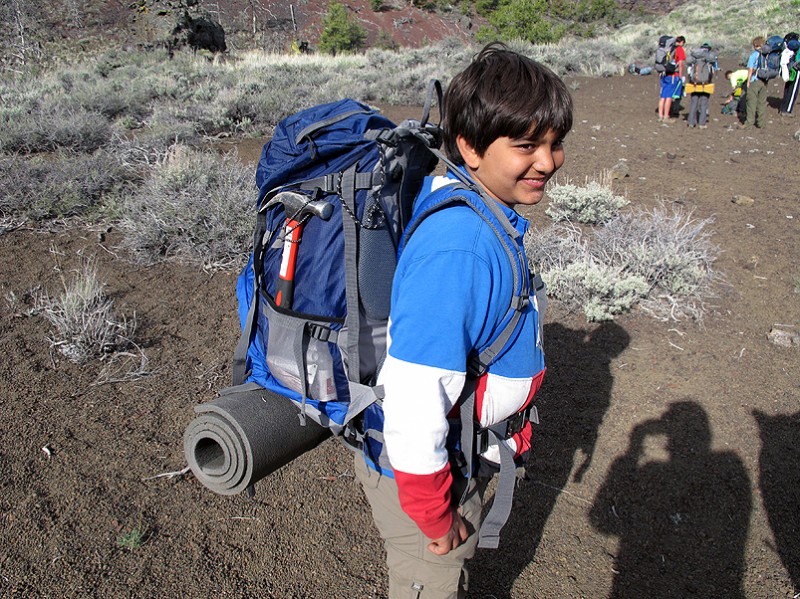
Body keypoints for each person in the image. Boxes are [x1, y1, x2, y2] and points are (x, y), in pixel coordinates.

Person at [354, 42, 573, 598]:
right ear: (471, 147)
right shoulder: (460, 248)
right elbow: (414, 397)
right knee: (430, 582)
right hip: (431, 476)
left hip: (460, 452)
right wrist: (434, 516)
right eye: (527, 145)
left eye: (555, 143)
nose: (548, 162)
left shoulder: (482, 212)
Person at [685, 42, 718, 128]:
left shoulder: (694, 56)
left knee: (693, 102)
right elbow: (713, 70)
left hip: (694, 83)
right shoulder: (709, 57)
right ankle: (702, 124)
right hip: (705, 83)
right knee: (704, 103)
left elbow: (688, 66)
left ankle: (691, 122)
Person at [658, 35, 686, 121]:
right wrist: (680, 76)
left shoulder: (666, 49)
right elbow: (680, 64)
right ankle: (666, 116)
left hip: (663, 74)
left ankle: (660, 115)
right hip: (673, 75)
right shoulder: (679, 49)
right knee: (669, 96)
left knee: (663, 96)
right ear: (682, 42)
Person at [743, 36, 768, 129]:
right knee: (762, 103)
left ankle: (749, 124)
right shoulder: (767, 55)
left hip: (754, 80)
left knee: (751, 103)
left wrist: (748, 81)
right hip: (764, 80)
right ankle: (761, 124)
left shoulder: (753, 55)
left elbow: (750, 69)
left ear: (755, 45)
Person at [779, 32, 800, 117]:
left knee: (788, 88)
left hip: (789, 68)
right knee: (793, 90)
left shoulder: (789, 47)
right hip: (797, 69)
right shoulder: (797, 46)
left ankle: (783, 107)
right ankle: (787, 110)